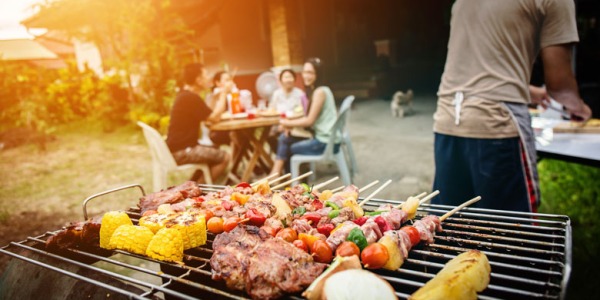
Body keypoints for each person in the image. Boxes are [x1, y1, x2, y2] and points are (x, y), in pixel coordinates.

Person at [432, 0, 592, 212]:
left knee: (449, 228)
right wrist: (580, 108)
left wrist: (529, 92)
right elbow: (561, 90)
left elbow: (480, 69)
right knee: (509, 234)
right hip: (497, 124)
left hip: (447, 120)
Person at [270, 58, 340, 175]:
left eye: (310, 73)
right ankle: (280, 175)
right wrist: (289, 123)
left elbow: (309, 121)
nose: (306, 76)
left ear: (318, 74)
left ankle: (288, 178)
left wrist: (286, 123)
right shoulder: (318, 90)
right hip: (324, 138)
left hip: (325, 143)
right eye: (304, 72)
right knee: (284, 138)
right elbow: (306, 114)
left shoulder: (320, 92)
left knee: (290, 147)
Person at [166, 63, 232, 183]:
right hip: (183, 151)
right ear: (198, 80)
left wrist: (215, 97)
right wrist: (223, 94)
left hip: (179, 148)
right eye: (206, 74)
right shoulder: (190, 98)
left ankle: (192, 187)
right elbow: (215, 118)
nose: (209, 78)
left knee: (214, 151)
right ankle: (197, 191)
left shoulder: (186, 95)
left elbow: (208, 116)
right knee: (225, 157)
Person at [267, 69, 309, 152]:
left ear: (294, 79)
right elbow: (271, 110)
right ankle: (283, 160)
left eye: (290, 77)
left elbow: (302, 113)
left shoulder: (300, 94)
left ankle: (285, 162)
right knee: (269, 136)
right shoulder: (276, 94)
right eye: (286, 77)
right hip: (278, 124)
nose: (288, 80)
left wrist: (288, 124)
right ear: (281, 80)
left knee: (285, 136)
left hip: (295, 125)